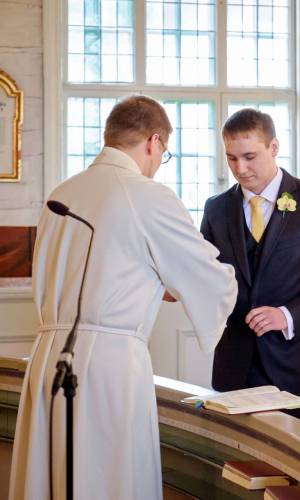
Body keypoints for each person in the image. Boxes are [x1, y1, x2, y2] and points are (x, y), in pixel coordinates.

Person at [9, 95, 238, 500]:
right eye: (163, 154)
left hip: (48, 357)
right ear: (153, 142)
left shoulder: (62, 193)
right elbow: (209, 279)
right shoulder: (147, 194)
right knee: (108, 479)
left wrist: (150, 281)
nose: (158, 163)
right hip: (107, 364)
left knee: (54, 477)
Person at [202, 108, 300, 426]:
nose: (240, 168)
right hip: (235, 366)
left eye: (249, 156)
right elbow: (205, 275)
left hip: (295, 366)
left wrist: (286, 315)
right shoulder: (216, 209)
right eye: (231, 158)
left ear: (273, 147)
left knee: (296, 457)